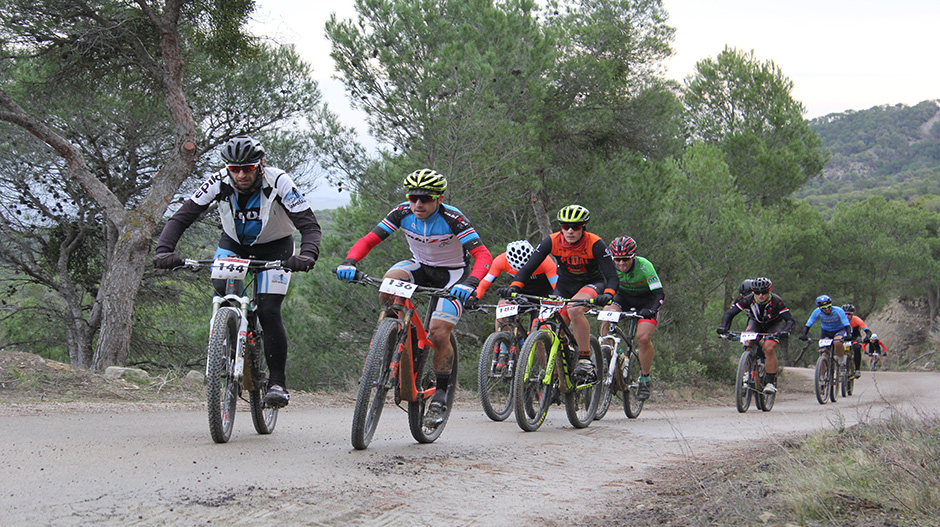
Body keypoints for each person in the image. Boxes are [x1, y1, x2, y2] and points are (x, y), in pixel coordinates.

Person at [154, 136, 321, 408]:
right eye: (235, 169)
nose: (241, 174)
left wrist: (307, 255)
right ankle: (227, 341)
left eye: (248, 168)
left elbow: (310, 226)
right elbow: (182, 217)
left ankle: (277, 381)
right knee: (222, 290)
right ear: (228, 168)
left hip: (276, 246)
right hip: (234, 244)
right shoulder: (218, 181)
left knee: (268, 310)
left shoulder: (279, 181)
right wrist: (164, 250)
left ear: (260, 165)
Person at [335, 169, 493, 428]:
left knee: (439, 333)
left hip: (452, 276)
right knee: (389, 280)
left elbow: (483, 256)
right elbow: (370, 240)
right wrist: (350, 262)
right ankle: (392, 334)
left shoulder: (453, 218)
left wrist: (471, 283)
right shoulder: (402, 213)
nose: (418, 204)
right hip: (419, 266)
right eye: (413, 198)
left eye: (426, 199)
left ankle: (440, 396)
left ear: (439, 199)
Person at [499, 205, 619, 380]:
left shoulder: (595, 243)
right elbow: (528, 267)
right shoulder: (552, 241)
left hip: (591, 284)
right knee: (547, 329)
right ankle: (559, 368)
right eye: (565, 227)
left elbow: (612, 276)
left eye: (575, 227)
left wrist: (608, 294)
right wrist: (514, 287)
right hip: (564, 286)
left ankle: (585, 359)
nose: (570, 231)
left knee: (574, 309)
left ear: (583, 227)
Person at [599, 236, 664, 401]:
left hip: (647, 300)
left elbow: (658, 294)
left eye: (625, 259)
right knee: (605, 318)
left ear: (633, 256)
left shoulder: (645, 266)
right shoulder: (611, 266)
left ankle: (645, 378)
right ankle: (608, 358)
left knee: (642, 338)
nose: (621, 263)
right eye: (617, 259)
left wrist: (651, 310)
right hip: (623, 298)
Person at [717, 277, 795, 394]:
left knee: (768, 348)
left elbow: (790, 320)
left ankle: (770, 382)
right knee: (747, 343)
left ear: (769, 290)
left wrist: (786, 331)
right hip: (756, 323)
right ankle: (747, 374)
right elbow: (730, 314)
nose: (760, 295)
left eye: (764, 292)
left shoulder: (776, 300)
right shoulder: (747, 299)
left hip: (774, 324)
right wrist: (724, 327)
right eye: (757, 292)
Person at [474, 240, 559, 330]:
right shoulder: (501, 261)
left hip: (543, 295)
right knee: (502, 309)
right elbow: (483, 284)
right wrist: (474, 297)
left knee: (540, 328)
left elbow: (557, 286)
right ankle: (506, 341)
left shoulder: (544, 261)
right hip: (519, 293)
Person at [800, 295, 852, 369]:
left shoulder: (838, 310)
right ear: (819, 308)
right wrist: (804, 335)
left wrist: (849, 335)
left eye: (829, 306)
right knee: (822, 353)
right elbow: (808, 325)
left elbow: (846, 324)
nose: (827, 309)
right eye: (823, 308)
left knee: (837, 342)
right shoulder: (816, 312)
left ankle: (841, 363)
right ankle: (821, 377)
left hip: (839, 330)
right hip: (826, 331)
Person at [842, 304, 873, 379]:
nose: (846, 316)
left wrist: (867, 337)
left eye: (849, 314)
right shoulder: (839, 320)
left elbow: (868, 331)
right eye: (844, 314)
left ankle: (857, 369)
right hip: (844, 336)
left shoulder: (857, 320)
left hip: (855, 336)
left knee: (857, 348)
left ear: (852, 314)